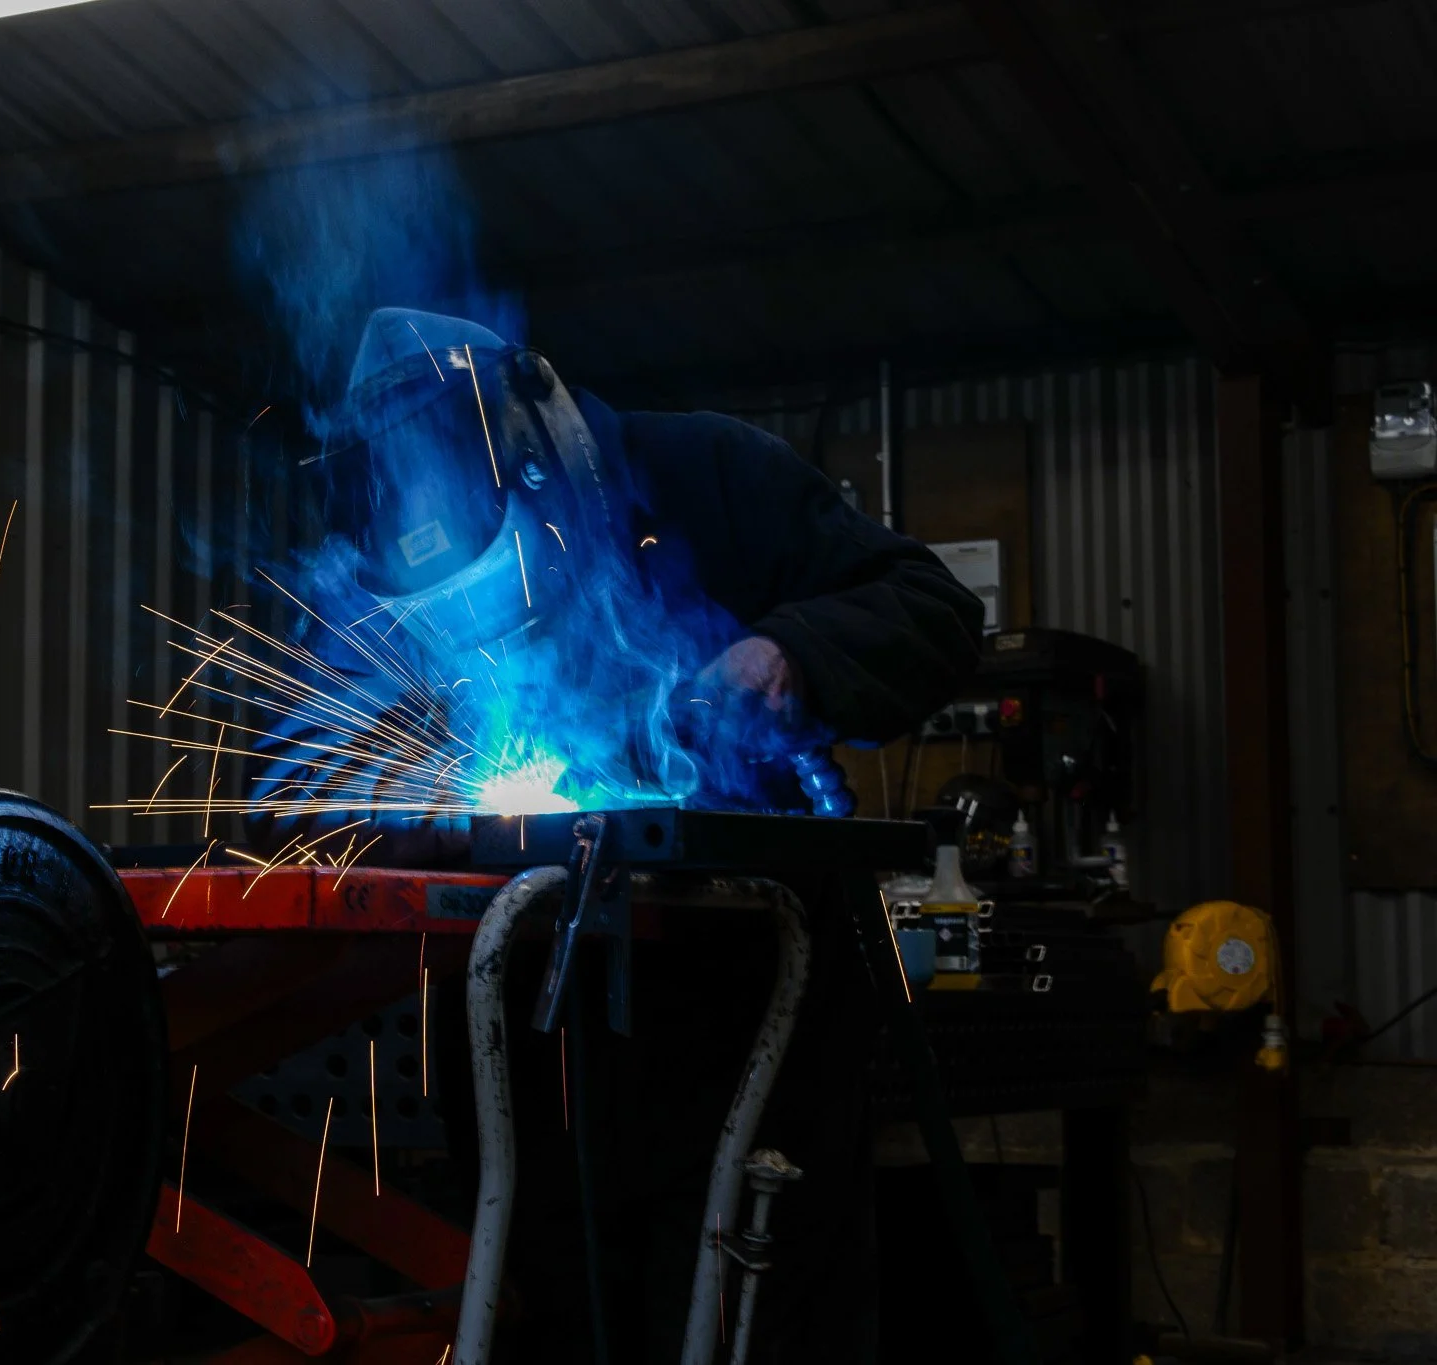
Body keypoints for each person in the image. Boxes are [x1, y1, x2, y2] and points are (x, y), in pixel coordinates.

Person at [245, 308, 985, 1362]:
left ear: (539, 456)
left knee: (752, 1330)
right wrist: (388, 805)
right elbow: (298, 775)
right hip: (528, 1057)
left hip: (750, 1023)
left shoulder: (703, 473)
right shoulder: (373, 571)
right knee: (547, 1326)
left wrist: (790, 656)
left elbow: (933, 607)